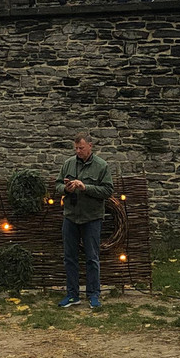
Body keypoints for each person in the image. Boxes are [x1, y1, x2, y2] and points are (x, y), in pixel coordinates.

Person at [54, 133, 113, 310]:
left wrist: (86, 187)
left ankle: (93, 294)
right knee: (69, 257)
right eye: (76, 148)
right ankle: (72, 295)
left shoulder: (101, 166)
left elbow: (108, 191)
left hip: (92, 218)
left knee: (92, 257)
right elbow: (57, 185)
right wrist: (66, 188)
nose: (78, 151)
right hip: (71, 217)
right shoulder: (68, 164)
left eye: (81, 148)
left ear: (90, 146)